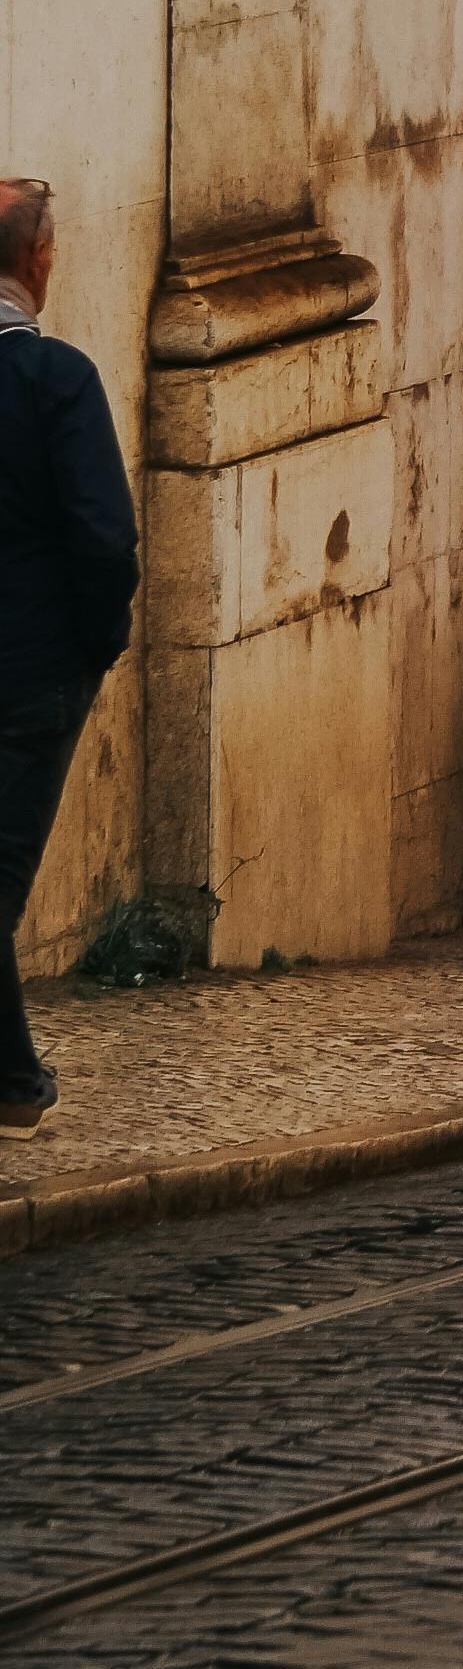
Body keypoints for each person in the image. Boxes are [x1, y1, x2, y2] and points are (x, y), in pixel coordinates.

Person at [0, 181, 140, 1131]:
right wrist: (95, 651)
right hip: (31, 676)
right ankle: (13, 1085)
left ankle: (13, 1084)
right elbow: (104, 539)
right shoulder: (56, 380)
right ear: (38, 261)